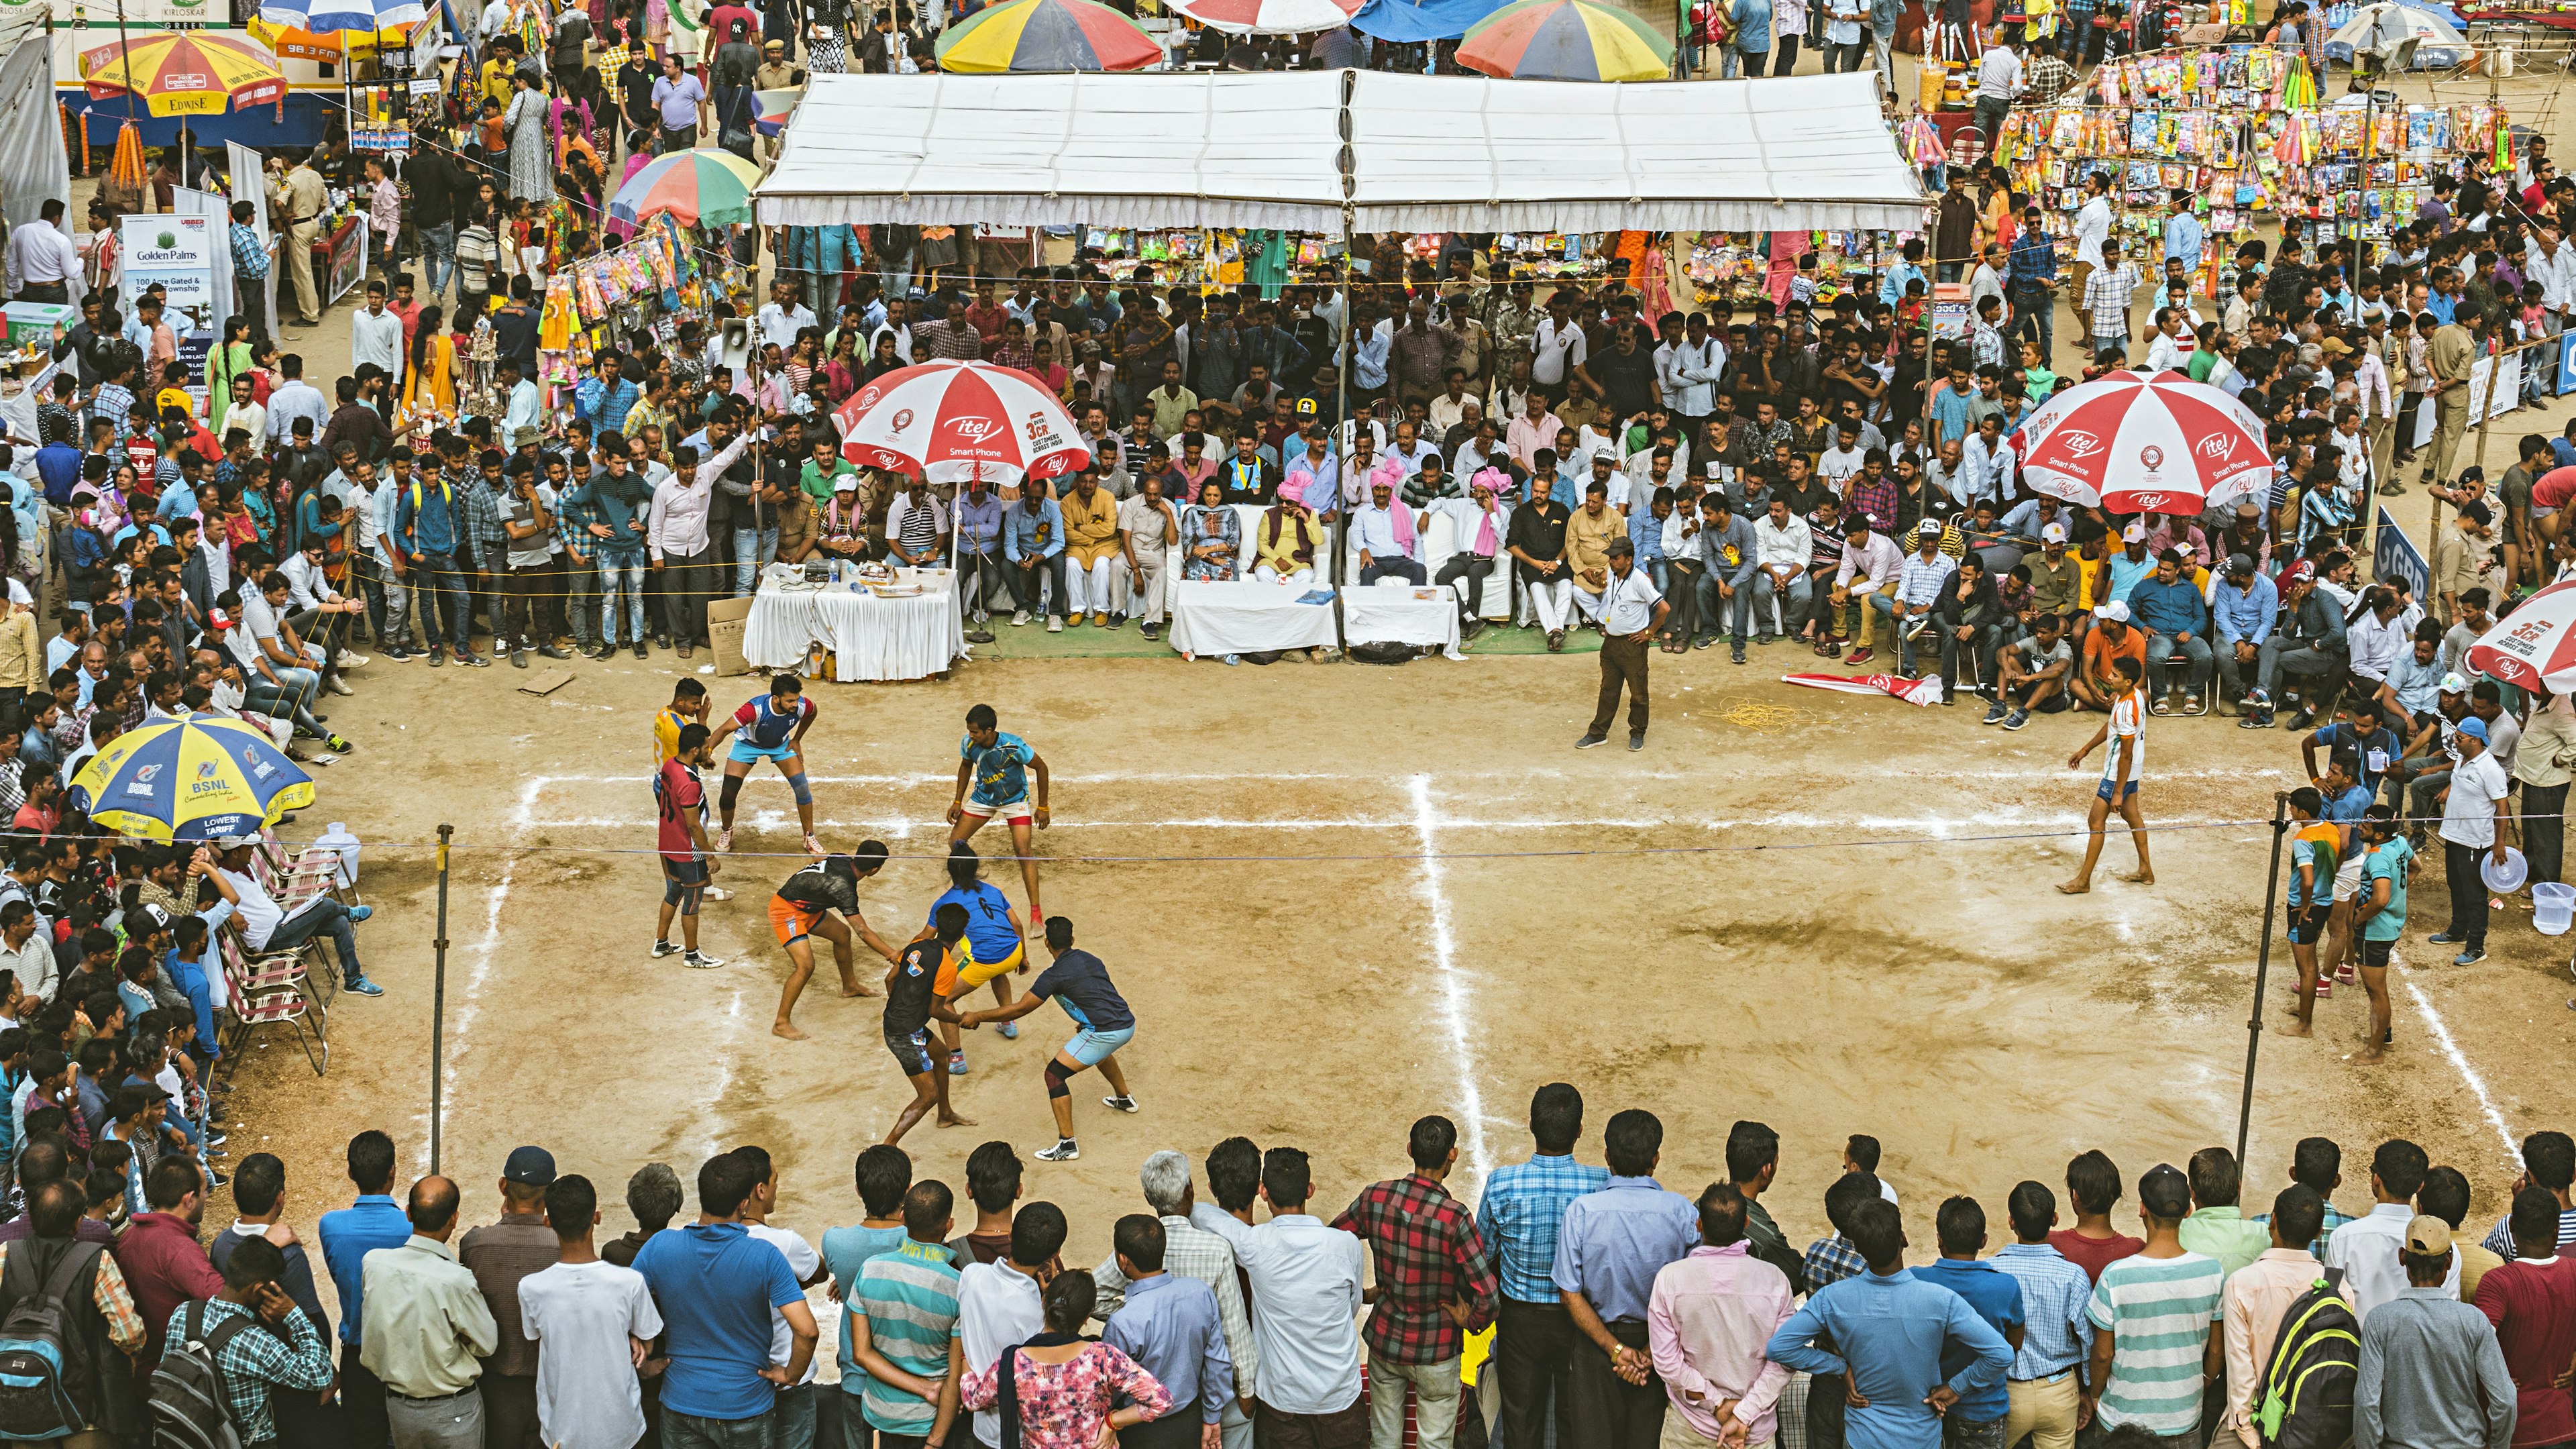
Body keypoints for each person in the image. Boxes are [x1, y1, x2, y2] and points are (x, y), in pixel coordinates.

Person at [1765, 1195, 2015, 1449]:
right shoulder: (1940, 1300)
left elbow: (1779, 1348)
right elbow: (2001, 1354)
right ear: (1903, 1239)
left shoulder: (1833, 1299)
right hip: (1921, 1439)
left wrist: (1840, 1367)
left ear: (1860, 1250)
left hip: (1862, 1438)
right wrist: (1956, 1388)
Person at [1324, 1115, 1498, 1449]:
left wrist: (1364, 1292)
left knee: (1385, 1438)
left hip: (1386, 1339)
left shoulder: (1375, 1197)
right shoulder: (1455, 1217)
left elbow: (1330, 1240)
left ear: (1409, 1150)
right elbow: (1488, 1297)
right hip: (1437, 1349)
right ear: (1452, 1156)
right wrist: (1471, 1321)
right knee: (1435, 1442)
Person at [631, 1152, 821, 1449]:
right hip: (745, 1405)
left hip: (681, 1401)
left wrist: (642, 1364)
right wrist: (790, 1374)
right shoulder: (765, 1256)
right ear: (744, 1203)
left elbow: (617, 1307)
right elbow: (807, 1331)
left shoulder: (660, 1247)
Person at [1190, 1147, 1368, 1449]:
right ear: (1309, 1191)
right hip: (1339, 1398)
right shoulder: (1346, 1245)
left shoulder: (1255, 1244)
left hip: (1283, 1403)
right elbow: (1351, 1307)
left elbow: (1202, 1214)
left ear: (1263, 1192)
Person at [1556, 1109, 1700, 1449]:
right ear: (1656, 1159)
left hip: (1596, 1346)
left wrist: (1616, 1350)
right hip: (1662, 1348)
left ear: (1607, 1156)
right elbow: (1695, 1292)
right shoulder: (1682, 1212)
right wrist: (1649, 1354)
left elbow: (1570, 1295)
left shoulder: (1582, 1211)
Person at [1480, 1083, 1608, 1449]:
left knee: (1521, 1420)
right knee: (1575, 1417)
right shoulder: (1600, 1183)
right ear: (1580, 1130)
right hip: (1580, 1317)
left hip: (1520, 1320)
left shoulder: (1502, 1183)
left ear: (1531, 1126)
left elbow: (1485, 1253)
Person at [958, 916, 1139, 1165]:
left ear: (1047, 944)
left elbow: (1019, 1009)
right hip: (1126, 1023)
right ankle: (1124, 1099)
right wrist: (1086, 1019)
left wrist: (977, 1015)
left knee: (1054, 1075)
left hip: (1104, 1031)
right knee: (1098, 1052)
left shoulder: (1052, 976)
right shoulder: (1090, 959)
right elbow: (1099, 991)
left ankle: (1067, 1144)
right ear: (1072, 940)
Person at [517, 1172, 665, 1449]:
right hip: (623, 1431)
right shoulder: (630, 1283)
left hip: (561, 1431)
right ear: (596, 1217)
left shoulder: (531, 1288)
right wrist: (630, 1337)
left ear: (547, 1223)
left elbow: (537, 1336)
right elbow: (648, 1342)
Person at [1646, 1182, 1795, 1449]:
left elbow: (1668, 1364)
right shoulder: (1775, 1281)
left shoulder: (1670, 1280)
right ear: (1747, 1222)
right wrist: (1744, 1413)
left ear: (1699, 1224)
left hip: (1690, 1430)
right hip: (1753, 1434)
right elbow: (1783, 1362)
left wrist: (1719, 1406)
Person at [2086, 1164, 2226, 1446]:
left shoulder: (2115, 1276)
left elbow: (2103, 1354)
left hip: (2121, 1422)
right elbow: (2215, 1349)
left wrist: (2096, 1395)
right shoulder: (2212, 1272)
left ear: (2142, 1209)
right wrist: (2201, 1384)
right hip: (2184, 1419)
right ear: (2188, 1211)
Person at [362, 1175, 503, 1449]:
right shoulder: (456, 1280)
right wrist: (459, 1337)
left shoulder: (374, 1263)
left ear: (409, 1213)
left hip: (400, 1407)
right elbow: (488, 1343)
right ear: (454, 1218)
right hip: (453, 1411)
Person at [961, 1270, 1176, 1449]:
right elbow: (1161, 1401)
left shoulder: (1014, 1363)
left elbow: (973, 1400)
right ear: (1086, 1318)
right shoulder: (1104, 1358)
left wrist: (965, 1358)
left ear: (1043, 1303)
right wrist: (1112, 1422)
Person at [2353, 1215, 2516, 1449]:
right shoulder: (2473, 1320)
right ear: (2449, 1261)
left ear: (2402, 1257)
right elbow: (2506, 1400)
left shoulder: (2380, 1321)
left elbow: (2367, 1402)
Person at [176, 1231, 336, 1449]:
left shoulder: (184, 1314)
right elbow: (321, 1374)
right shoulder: (253, 1341)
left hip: (190, 1434)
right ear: (260, 1289)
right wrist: (293, 1314)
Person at [849, 1179, 969, 1449]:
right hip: (928, 1425)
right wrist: (935, 1443)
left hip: (878, 1419)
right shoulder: (957, 1288)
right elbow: (954, 1377)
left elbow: (861, 1354)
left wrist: (922, 1388)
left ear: (903, 1217)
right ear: (949, 1225)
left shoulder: (870, 1270)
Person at [1099, 1214, 1234, 1449]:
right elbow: (1218, 1363)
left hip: (1139, 1430)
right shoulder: (1200, 1293)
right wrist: (1212, 1416)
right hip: (1189, 1420)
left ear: (1122, 1261)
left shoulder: (1122, 1322)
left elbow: (1110, 1389)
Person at [460, 1146, 563, 1449]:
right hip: (550, 1387)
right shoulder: (562, 1246)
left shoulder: (475, 1242)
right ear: (551, 1194)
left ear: (503, 1186)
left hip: (493, 1389)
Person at [321, 1130, 413, 1449]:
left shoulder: (330, 1226)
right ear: (393, 1171)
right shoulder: (412, 1228)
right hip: (404, 1353)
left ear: (350, 1173)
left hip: (358, 1357)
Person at [765, 845, 898, 1042]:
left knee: (842, 935)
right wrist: (894, 954)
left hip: (808, 907)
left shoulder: (842, 858)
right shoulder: (843, 887)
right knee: (806, 966)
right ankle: (781, 1023)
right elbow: (862, 930)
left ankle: (850, 986)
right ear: (874, 870)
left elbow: (817, 860)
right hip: (787, 911)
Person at [949, 703, 1051, 929]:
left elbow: (1041, 768)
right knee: (956, 843)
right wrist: (957, 801)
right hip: (983, 799)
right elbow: (965, 766)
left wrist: (1043, 806)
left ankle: (1036, 916)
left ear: (989, 731)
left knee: (1024, 852)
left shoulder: (1013, 746)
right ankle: (968, 892)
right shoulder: (969, 743)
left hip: (1015, 800)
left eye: (974, 731)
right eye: (969, 730)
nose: (970, 735)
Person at [881, 903, 973, 1146]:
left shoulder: (916, 945)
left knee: (942, 1056)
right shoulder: (947, 967)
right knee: (928, 1095)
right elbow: (936, 1010)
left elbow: (889, 979)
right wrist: (961, 1019)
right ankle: (889, 1145)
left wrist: (901, 1005)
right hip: (906, 1031)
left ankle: (945, 1115)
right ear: (962, 933)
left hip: (901, 1023)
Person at [2060, 655, 2151, 894]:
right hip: (2132, 772)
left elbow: (2126, 755)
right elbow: (2111, 725)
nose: (2109, 677)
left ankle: (2083, 881)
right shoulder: (2135, 696)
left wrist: (2118, 792)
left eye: (2115, 676)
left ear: (2128, 681)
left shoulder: (2126, 710)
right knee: (2133, 818)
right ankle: (2146, 871)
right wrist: (2086, 749)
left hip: (2117, 775)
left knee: (2096, 821)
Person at [706, 674, 824, 857]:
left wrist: (797, 739)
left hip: (780, 745)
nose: (795, 704)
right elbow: (724, 730)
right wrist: (708, 752)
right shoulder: (754, 709)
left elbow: (812, 713)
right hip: (747, 745)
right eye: (790, 700)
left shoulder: (802, 706)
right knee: (728, 793)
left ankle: (809, 836)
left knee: (802, 788)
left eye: (797, 699)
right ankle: (726, 830)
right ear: (775, 699)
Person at [1576, 538, 1668, 753]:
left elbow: (1664, 608)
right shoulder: (1612, 574)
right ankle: (1598, 733)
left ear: (1629, 559)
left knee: (1638, 692)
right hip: (1611, 644)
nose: (1611, 562)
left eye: (1616, 558)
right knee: (1608, 689)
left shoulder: (1640, 580)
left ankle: (1638, 732)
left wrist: (1650, 632)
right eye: (1610, 557)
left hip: (1632, 645)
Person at [2432, 714, 2510, 966]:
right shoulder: (2462, 760)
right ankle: (2457, 930)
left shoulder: (2491, 770)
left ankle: (2476, 947)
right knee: (2456, 885)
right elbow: (2460, 783)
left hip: (2475, 842)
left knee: (2475, 895)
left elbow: (2503, 808)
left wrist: (2499, 843)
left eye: (2459, 738)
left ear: (2475, 741)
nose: (2455, 741)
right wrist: (2449, 789)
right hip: (2454, 835)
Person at [653, 721, 724, 969]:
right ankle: (692, 955)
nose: (709, 750)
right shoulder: (690, 784)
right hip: (687, 850)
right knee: (692, 903)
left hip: (667, 844)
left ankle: (661, 943)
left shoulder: (670, 765)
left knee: (673, 893)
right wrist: (709, 856)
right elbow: (694, 825)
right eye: (706, 747)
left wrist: (700, 763)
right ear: (694, 750)